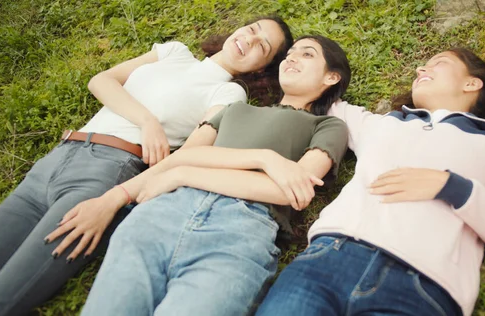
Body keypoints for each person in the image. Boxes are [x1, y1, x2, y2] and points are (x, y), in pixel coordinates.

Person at [0, 16, 293, 316]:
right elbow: (101, 81)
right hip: (56, 160)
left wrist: (118, 198)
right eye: (252, 30)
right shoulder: (174, 52)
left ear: (261, 69)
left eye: (262, 46)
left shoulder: (229, 94)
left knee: (4, 296)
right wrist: (147, 120)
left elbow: (191, 152)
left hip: (105, 175)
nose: (250, 40)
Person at [256, 47, 485, 316]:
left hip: (422, 285)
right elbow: (322, 96)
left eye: (439, 63)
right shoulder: (383, 124)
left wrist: (452, 187)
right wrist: (286, 61)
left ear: (471, 83)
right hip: (327, 260)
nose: (421, 69)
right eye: (422, 65)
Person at [78, 34, 351, 316]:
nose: (292, 58)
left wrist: (185, 175)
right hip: (162, 215)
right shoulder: (235, 110)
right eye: (290, 53)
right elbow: (183, 156)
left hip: (238, 234)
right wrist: (265, 159)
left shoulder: (330, 126)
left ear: (331, 77)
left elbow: (292, 191)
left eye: (307, 54)